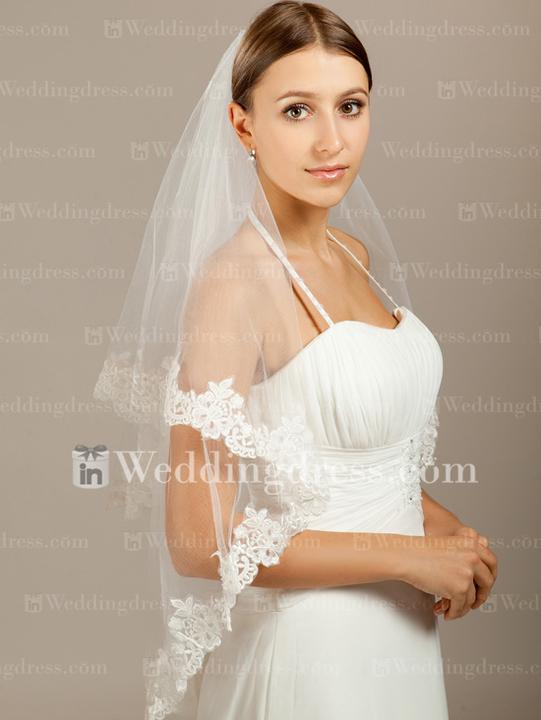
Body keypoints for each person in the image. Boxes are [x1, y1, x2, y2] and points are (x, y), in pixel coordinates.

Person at [94, 3, 498, 718]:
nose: (330, 139)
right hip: (315, 650)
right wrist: (405, 555)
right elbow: (197, 540)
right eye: (296, 111)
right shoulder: (235, 284)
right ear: (243, 125)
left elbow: (350, 462)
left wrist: (440, 529)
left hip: (397, 636)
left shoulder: (353, 255)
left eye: (350, 106)